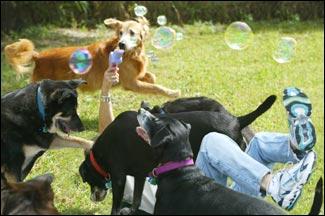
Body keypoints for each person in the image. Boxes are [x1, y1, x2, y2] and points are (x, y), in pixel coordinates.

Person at [99, 66, 317, 213]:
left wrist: (107, 88)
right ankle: (276, 184)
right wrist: (106, 90)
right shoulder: (119, 176)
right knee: (213, 141)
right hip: (196, 202)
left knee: (246, 142)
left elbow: (113, 133)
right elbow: (108, 134)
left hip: (203, 189)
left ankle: (292, 148)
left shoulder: (141, 147)